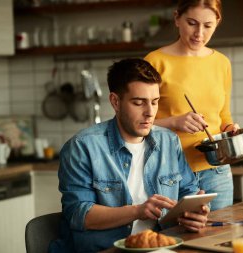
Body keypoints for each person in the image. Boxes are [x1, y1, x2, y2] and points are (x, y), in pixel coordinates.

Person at [49, 58, 209, 253]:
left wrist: (195, 213)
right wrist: (138, 211)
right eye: (139, 103)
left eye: (155, 102)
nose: (150, 113)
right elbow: (79, 214)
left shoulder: (169, 141)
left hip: (162, 246)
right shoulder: (82, 147)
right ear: (115, 102)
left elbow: (187, 192)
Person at [145, 0, 240, 211]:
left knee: (219, 238)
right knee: (177, 238)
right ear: (177, 18)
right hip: (170, 173)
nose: (199, 33)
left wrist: (229, 130)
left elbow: (223, 116)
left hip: (217, 171)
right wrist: (174, 122)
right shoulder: (155, 62)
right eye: (192, 23)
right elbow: (138, 124)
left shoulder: (222, 63)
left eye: (208, 26)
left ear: (217, 22)